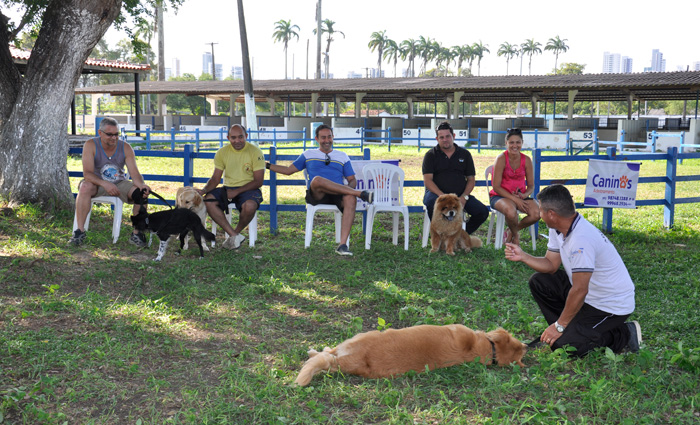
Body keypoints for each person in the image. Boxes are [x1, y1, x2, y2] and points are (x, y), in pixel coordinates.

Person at [505, 184, 641, 356]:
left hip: (609, 306)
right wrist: (523, 256)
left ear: (552, 214)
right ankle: (567, 330)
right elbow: (551, 264)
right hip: (588, 295)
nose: (539, 214)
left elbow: (580, 290)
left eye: (540, 210)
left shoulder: (581, 240)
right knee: (540, 281)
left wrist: (559, 325)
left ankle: (624, 334)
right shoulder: (558, 228)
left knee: (565, 347)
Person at [267, 124, 373, 256]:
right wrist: (267, 165)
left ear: (333, 137)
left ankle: (342, 245)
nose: (327, 140)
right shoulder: (308, 154)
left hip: (338, 195)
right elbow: (288, 171)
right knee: (317, 180)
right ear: (316, 139)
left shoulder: (342, 156)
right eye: (323, 137)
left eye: (329, 137)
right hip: (317, 194)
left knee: (350, 198)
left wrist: (348, 189)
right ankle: (360, 194)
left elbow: (352, 180)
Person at [70, 117, 151, 246]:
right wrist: (104, 183)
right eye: (110, 134)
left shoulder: (125, 147)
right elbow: (88, 174)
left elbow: (135, 173)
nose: (114, 138)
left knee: (141, 194)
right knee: (84, 187)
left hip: (119, 183)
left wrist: (141, 185)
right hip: (96, 183)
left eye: (116, 134)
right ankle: (79, 232)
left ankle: (137, 233)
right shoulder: (90, 145)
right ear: (100, 133)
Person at [197, 124, 265, 250]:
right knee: (208, 201)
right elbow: (215, 179)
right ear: (228, 138)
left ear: (246, 136)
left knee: (250, 206)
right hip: (228, 188)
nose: (237, 140)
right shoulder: (222, 152)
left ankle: (234, 235)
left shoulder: (256, 152)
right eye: (233, 138)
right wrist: (204, 190)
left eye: (241, 137)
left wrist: (236, 192)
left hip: (249, 188)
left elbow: (258, 181)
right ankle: (234, 235)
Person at [422, 121, 489, 235]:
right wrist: (442, 196)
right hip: (437, 195)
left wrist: (464, 197)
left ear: (453, 136)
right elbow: (428, 180)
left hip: (459, 195)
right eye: (441, 137)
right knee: (431, 203)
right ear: (437, 139)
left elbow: (471, 180)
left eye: (448, 136)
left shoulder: (465, 154)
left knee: (482, 212)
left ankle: (459, 234)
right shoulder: (431, 155)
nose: (445, 139)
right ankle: (439, 235)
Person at [489, 128, 539, 245]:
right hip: (499, 196)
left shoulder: (526, 160)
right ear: (506, 143)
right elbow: (496, 187)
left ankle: (511, 231)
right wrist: (515, 199)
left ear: (522, 143)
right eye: (511, 142)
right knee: (511, 212)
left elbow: (531, 186)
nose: (515, 145)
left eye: (518, 142)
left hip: (520, 196)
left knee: (537, 213)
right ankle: (516, 236)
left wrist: (524, 194)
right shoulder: (501, 159)